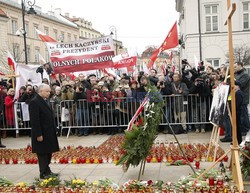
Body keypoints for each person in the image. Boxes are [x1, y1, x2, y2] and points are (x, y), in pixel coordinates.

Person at [29, 84, 59, 179]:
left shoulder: (45, 100)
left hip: (49, 131)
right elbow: (35, 120)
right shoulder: (34, 102)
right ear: (41, 91)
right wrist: (38, 134)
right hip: (41, 132)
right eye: (47, 91)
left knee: (48, 152)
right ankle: (43, 173)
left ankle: (47, 170)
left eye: (49, 91)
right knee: (42, 154)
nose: (49, 93)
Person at [234, 62, 250, 135]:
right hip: (238, 96)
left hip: (243, 97)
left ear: (240, 66)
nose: (234, 68)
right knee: (240, 114)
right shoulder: (237, 74)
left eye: (235, 66)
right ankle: (242, 128)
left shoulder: (245, 75)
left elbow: (241, 84)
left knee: (244, 114)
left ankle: (246, 129)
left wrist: (234, 80)